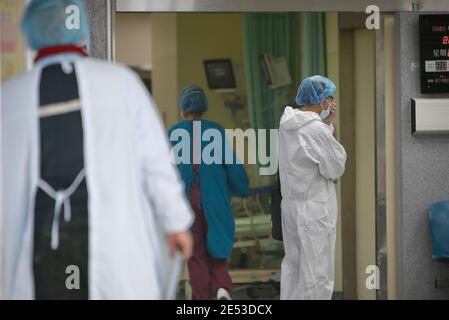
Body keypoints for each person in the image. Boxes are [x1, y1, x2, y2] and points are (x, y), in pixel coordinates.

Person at [1, 0, 193, 299]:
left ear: (31, 32)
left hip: (34, 253)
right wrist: (176, 223)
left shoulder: (9, 99)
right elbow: (156, 165)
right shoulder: (121, 83)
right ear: (81, 29)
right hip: (114, 250)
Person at [168, 85, 249, 300]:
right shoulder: (216, 131)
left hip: (186, 201)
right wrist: (242, 187)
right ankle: (222, 288)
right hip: (215, 199)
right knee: (217, 246)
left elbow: (164, 174)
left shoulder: (173, 133)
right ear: (204, 108)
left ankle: (202, 298)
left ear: (183, 109)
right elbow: (232, 166)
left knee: (195, 255)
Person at [278, 75, 347, 300]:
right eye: (329, 98)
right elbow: (336, 167)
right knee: (317, 273)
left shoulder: (287, 123)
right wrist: (327, 128)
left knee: (294, 268)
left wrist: (324, 124)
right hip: (314, 210)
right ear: (321, 100)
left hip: (291, 206)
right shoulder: (315, 129)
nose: (331, 103)